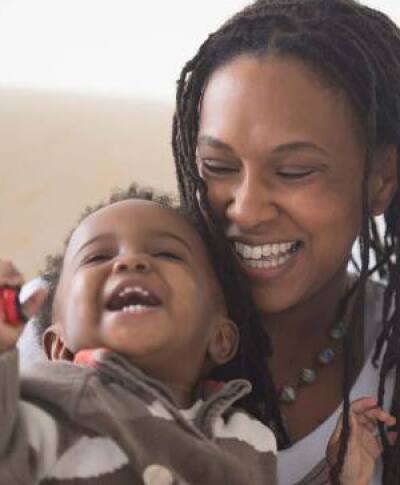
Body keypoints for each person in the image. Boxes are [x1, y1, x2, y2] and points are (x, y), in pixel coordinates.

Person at [0, 186, 392, 485]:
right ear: (58, 347)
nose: (131, 261)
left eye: (167, 255)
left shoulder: (247, 436)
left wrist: (339, 475)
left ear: (220, 338)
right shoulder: (59, 397)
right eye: (98, 257)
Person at [172, 0, 400, 484]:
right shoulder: (96, 315)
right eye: (218, 166)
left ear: (381, 179)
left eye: (294, 171)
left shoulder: (388, 360)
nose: (247, 209)